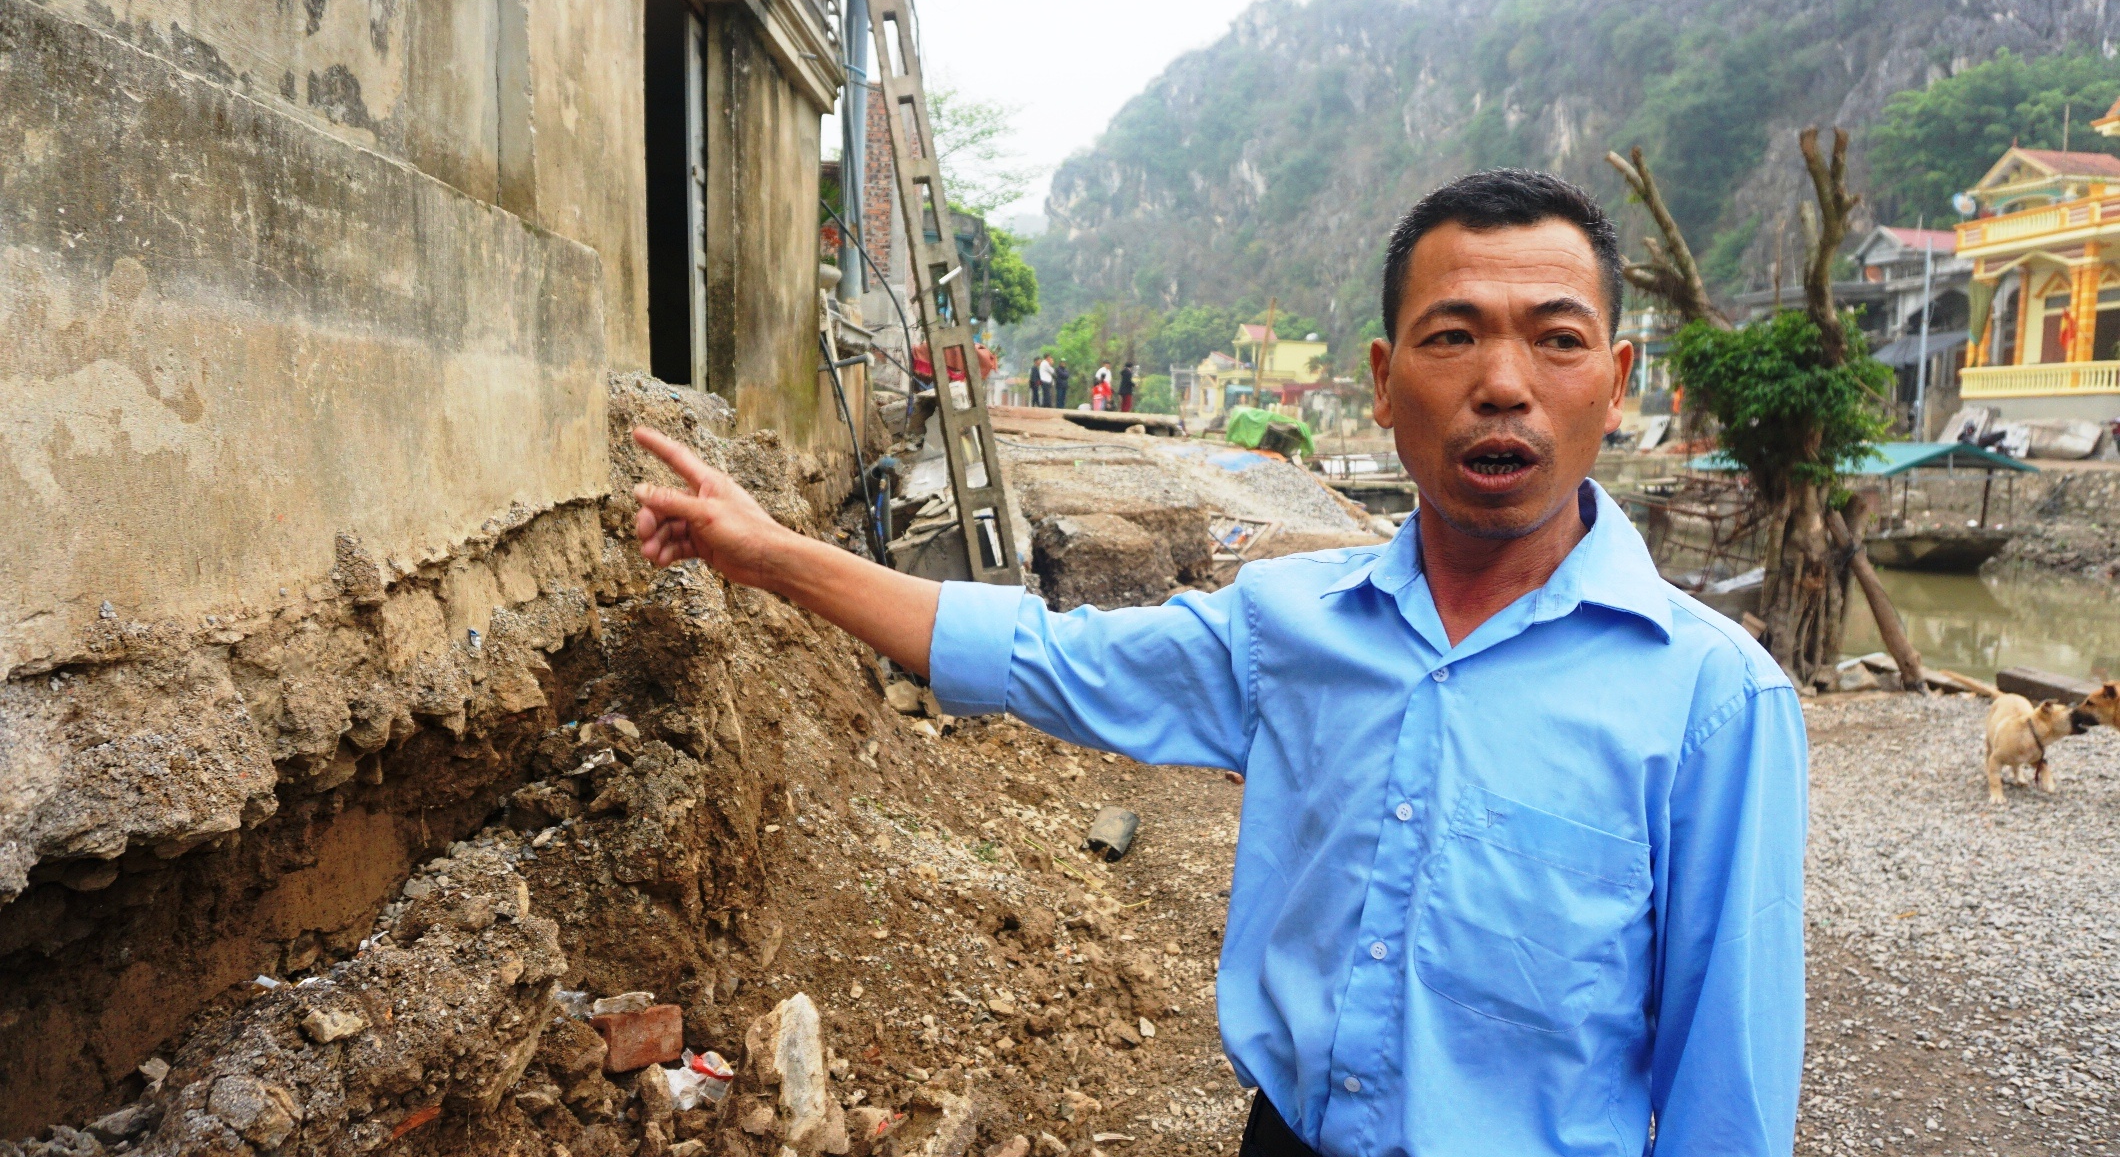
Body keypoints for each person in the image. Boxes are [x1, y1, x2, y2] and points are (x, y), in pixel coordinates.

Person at [628, 169, 1805, 1157]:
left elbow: (1727, 1085)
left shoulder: (1710, 698)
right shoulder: (1285, 625)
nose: (1502, 382)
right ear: (1386, 383)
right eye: (1453, 337)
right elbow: (1037, 656)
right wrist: (774, 555)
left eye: (1555, 339)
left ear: (1614, 379)